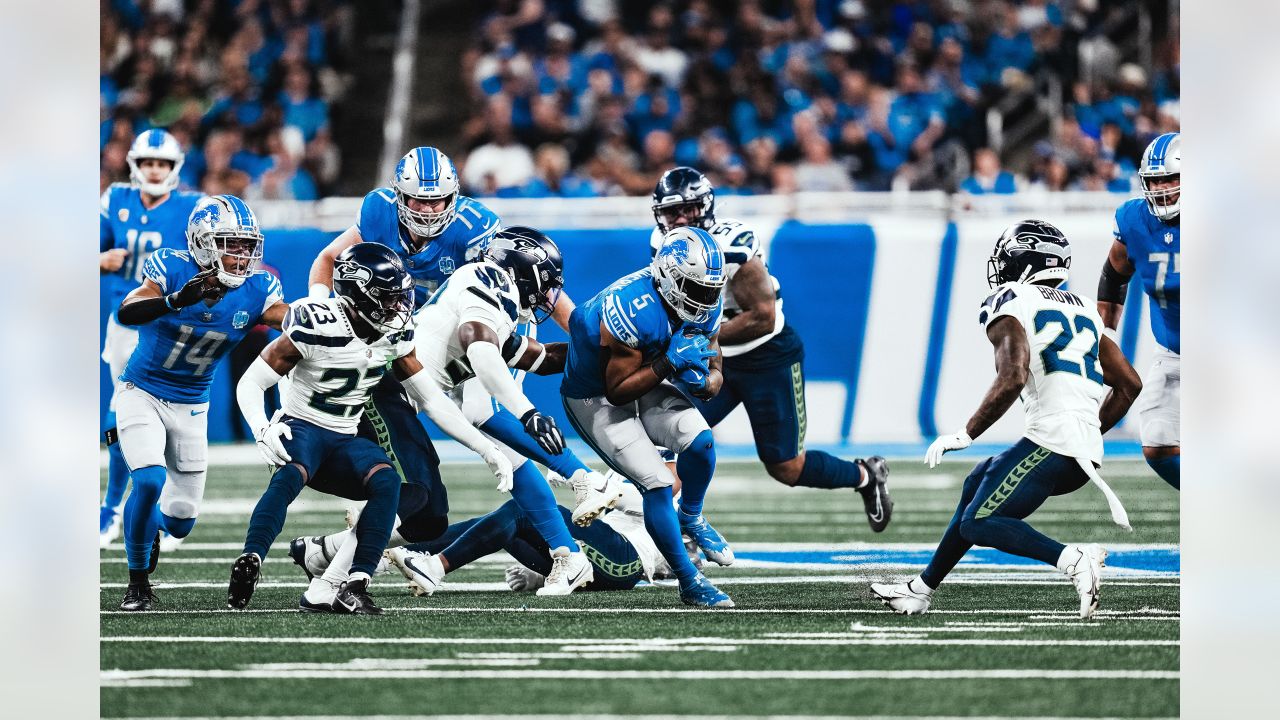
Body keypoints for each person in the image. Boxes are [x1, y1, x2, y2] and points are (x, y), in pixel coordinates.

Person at [305, 147, 619, 551]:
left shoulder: (475, 228)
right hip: (418, 338)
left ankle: (577, 504)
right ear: (399, 196)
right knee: (405, 421)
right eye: (420, 198)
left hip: (477, 325)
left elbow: (537, 289)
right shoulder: (378, 211)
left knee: (486, 414)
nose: (430, 209)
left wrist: (584, 335)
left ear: (454, 196)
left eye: (438, 199)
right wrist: (319, 302)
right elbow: (330, 259)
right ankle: (363, 534)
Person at [290, 228, 619, 600]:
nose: (548, 296)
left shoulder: (495, 303)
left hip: (396, 396)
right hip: (379, 392)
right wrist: (527, 413)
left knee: (428, 512)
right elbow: (479, 350)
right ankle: (332, 580)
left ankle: (326, 557)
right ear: (525, 269)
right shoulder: (488, 280)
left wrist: (602, 352)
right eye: (546, 283)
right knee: (413, 499)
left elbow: (539, 359)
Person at [871, 220, 1142, 619]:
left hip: (1052, 442)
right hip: (1075, 446)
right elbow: (1129, 384)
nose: (1000, 267)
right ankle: (920, 589)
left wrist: (966, 432)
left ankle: (1072, 558)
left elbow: (1013, 374)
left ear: (1025, 261)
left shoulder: (1012, 298)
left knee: (979, 521)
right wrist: (1086, 430)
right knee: (977, 482)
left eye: (1007, 258)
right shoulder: (1084, 306)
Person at [229, 243, 514, 614]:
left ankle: (352, 583)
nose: (398, 307)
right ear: (355, 292)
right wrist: (262, 428)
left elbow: (432, 400)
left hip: (345, 436)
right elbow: (250, 383)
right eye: (387, 297)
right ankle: (252, 556)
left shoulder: (394, 334)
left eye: (401, 297)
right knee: (291, 474)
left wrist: (485, 448)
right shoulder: (315, 321)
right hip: (302, 428)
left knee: (389, 483)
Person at [647, 167, 893, 544]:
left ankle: (865, 475)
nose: (679, 220)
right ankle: (683, 534)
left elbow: (763, 318)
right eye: (670, 213)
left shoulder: (733, 245)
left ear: (706, 207)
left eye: (688, 210)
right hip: (714, 359)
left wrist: (697, 341)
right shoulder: (662, 244)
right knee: (675, 441)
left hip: (766, 357)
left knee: (786, 467)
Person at [114, 195, 288, 611]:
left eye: (247, 244)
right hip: (143, 393)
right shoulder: (172, 267)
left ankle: (147, 527)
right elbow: (127, 312)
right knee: (150, 480)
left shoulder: (257, 288)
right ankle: (138, 582)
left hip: (193, 406)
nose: (241, 254)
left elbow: (291, 317)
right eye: (231, 242)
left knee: (181, 521)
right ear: (203, 241)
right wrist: (175, 301)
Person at [560, 226, 734, 609]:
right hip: (594, 394)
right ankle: (690, 582)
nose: (707, 300)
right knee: (656, 483)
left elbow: (716, 369)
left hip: (646, 373)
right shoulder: (631, 308)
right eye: (698, 289)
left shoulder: (703, 301)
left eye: (711, 290)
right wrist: (671, 361)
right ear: (671, 279)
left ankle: (691, 516)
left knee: (702, 442)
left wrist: (705, 381)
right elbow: (618, 390)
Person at [100, 129, 204, 549]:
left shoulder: (193, 207)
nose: (155, 170)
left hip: (172, 326)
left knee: (167, 417)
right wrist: (98, 259)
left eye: (161, 164)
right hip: (125, 322)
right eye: (148, 163)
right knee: (120, 414)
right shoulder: (116, 199)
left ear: (174, 168)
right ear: (135, 166)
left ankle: (157, 505)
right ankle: (110, 508)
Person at [384, 477, 672, 596]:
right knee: (504, 522)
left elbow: (658, 494)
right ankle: (386, 551)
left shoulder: (666, 474)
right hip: (603, 554)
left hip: (626, 560)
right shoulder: (629, 455)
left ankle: (434, 567)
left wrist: (588, 478)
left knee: (525, 508)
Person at [1096, 132, 1180, 489]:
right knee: (1159, 442)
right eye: (1154, 180)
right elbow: (1114, 273)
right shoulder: (1134, 220)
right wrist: (1105, 335)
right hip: (1176, 351)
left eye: (1170, 178)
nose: (1161, 188)